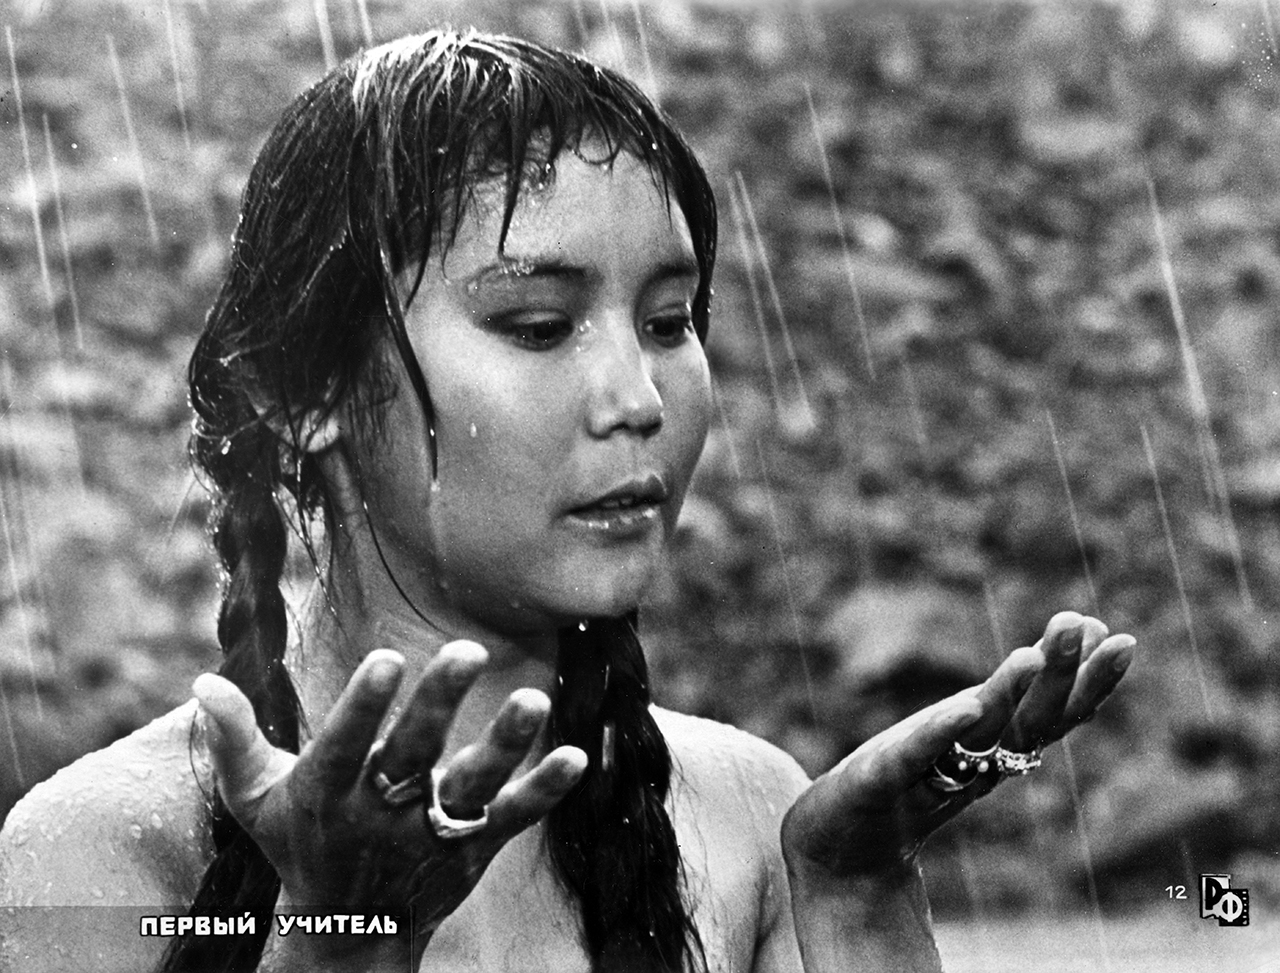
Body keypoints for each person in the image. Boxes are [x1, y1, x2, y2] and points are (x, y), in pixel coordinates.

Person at [0, 29, 1135, 972]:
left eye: (669, 320)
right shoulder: (102, 855)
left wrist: (854, 897)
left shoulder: (747, 820)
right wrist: (341, 942)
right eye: (539, 326)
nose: (638, 397)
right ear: (303, 393)